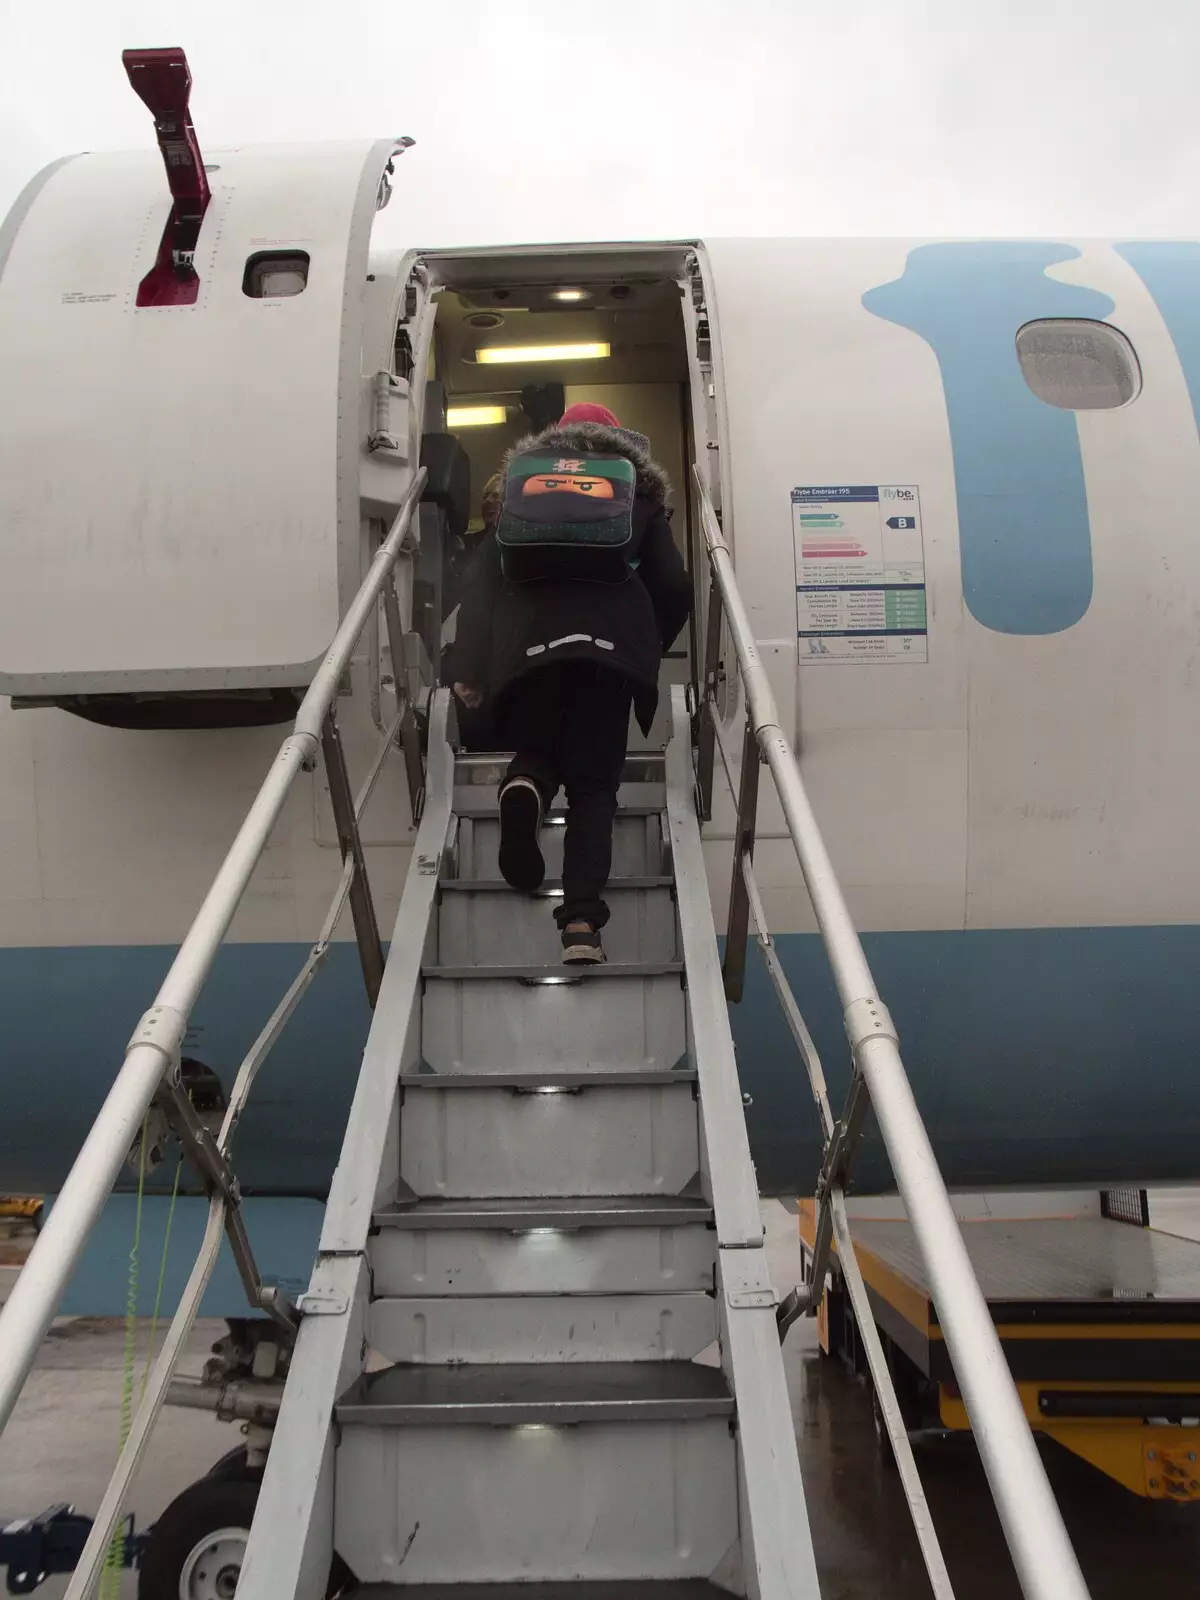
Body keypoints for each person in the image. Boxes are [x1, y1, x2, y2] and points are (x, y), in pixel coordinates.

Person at [451, 403, 692, 964]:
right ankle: (581, 923)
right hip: (609, 656)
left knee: (539, 749)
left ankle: (525, 787)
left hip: (526, 651)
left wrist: (471, 667)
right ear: (619, 442)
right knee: (593, 789)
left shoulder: (524, 491)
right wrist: (645, 645)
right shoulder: (639, 496)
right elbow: (675, 585)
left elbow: (478, 584)